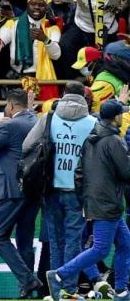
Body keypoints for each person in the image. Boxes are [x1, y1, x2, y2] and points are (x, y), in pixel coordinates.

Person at [22, 80, 105, 295]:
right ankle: (69, 288)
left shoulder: (49, 118)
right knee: (74, 241)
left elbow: (27, 146)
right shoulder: (92, 123)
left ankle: (56, 291)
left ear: (64, 93)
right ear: (84, 97)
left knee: (55, 241)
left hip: (51, 187)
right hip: (79, 190)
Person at [46, 96, 130, 301]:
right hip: (108, 203)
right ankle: (59, 275)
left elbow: (79, 173)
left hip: (97, 201)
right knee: (100, 249)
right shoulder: (114, 141)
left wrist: (84, 199)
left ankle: (121, 291)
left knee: (126, 244)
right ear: (116, 117)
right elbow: (127, 172)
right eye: (121, 114)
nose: (123, 117)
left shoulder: (90, 139)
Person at [0, 88, 42, 298]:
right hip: (33, 189)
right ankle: (26, 288)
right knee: (25, 240)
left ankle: (28, 280)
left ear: (10, 105)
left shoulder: (9, 125)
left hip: (10, 188)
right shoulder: (36, 121)